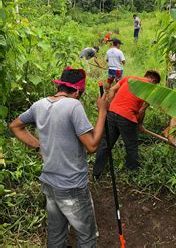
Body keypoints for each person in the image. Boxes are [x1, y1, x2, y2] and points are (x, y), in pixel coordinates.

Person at [8, 67, 108, 247]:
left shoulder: (39, 105)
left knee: (56, 235)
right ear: (78, 91)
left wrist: (39, 145)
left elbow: (15, 126)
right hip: (72, 185)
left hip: (49, 183)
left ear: (60, 85)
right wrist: (102, 111)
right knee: (86, 235)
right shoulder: (74, 105)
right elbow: (92, 145)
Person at [92, 70, 161, 179]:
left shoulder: (129, 78)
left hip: (112, 113)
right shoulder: (150, 89)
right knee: (131, 146)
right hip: (127, 117)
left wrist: (110, 106)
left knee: (105, 144)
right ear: (153, 80)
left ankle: (96, 173)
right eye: (156, 84)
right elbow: (142, 110)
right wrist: (139, 124)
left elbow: (112, 90)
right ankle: (132, 173)